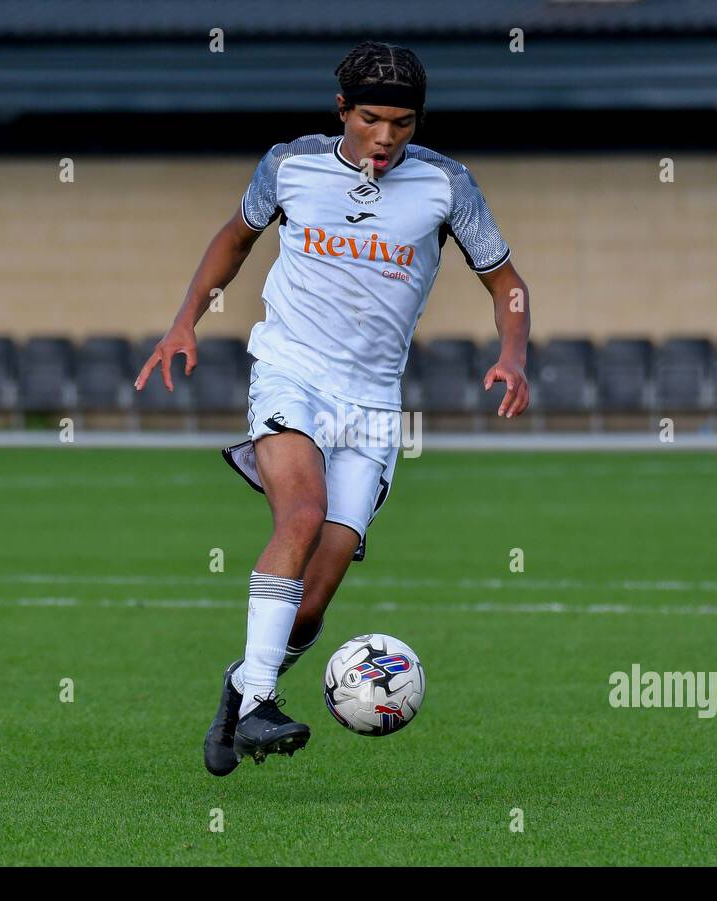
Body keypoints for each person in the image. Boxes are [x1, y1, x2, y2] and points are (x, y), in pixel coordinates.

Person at [134, 40, 531, 775]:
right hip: (290, 372)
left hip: (373, 401)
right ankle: (257, 706)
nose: (386, 139)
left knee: (314, 599)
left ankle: (242, 686)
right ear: (341, 109)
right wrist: (186, 316)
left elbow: (505, 280)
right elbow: (236, 236)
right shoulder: (290, 165)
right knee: (301, 516)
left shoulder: (448, 185)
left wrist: (512, 354)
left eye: (403, 124)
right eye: (372, 119)